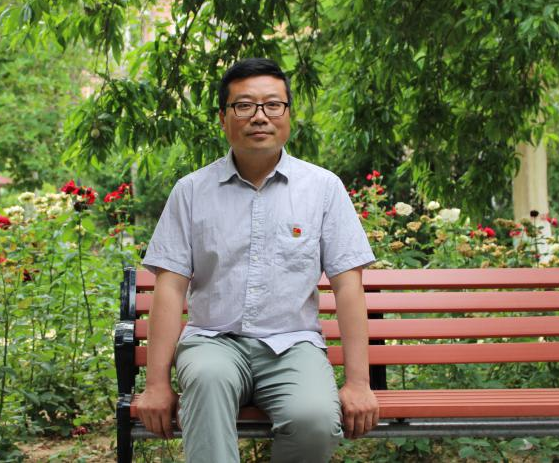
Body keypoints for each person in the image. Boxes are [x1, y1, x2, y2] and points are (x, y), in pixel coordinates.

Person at [138, 58, 379, 462]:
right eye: (244, 105)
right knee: (208, 381)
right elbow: (170, 287)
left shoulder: (323, 188)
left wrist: (359, 383)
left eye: (272, 105)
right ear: (223, 117)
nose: (259, 116)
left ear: (288, 114)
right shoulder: (192, 191)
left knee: (316, 420)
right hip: (212, 341)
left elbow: (348, 286)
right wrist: (156, 384)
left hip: (293, 345)